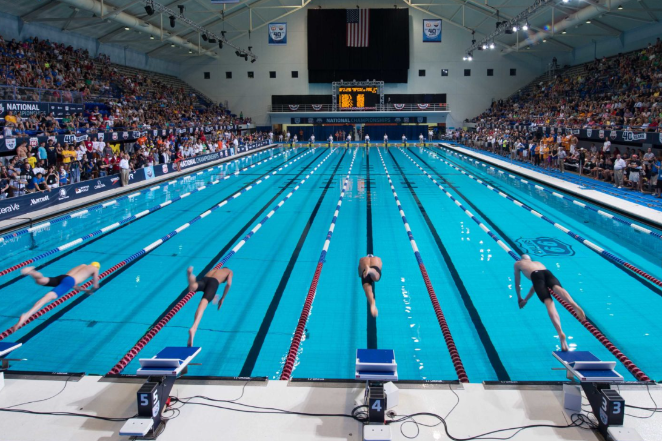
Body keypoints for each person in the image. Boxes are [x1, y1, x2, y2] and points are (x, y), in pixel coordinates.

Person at [514, 255, 585, 351]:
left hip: (535, 276)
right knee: (557, 288)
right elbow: (535, 286)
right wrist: (526, 299)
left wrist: (520, 298)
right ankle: (573, 304)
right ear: (529, 259)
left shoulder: (518, 263)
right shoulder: (538, 263)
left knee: (549, 303)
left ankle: (560, 333)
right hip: (548, 273)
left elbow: (518, 283)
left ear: (521, 259)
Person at [14, 263, 101, 331]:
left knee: (40, 280)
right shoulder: (95, 269)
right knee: (46, 298)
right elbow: (95, 285)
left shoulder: (83, 265)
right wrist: (91, 290)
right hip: (69, 281)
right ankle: (26, 315)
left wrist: (83, 290)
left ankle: (31, 271)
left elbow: (71, 282)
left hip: (63, 277)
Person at [186, 266, 233, 347]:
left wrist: (214, 296)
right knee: (202, 305)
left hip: (204, 279)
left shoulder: (214, 269)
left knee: (193, 287)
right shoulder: (229, 271)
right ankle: (194, 328)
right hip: (213, 283)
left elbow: (208, 284)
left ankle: (191, 277)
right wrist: (223, 298)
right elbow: (228, 284)